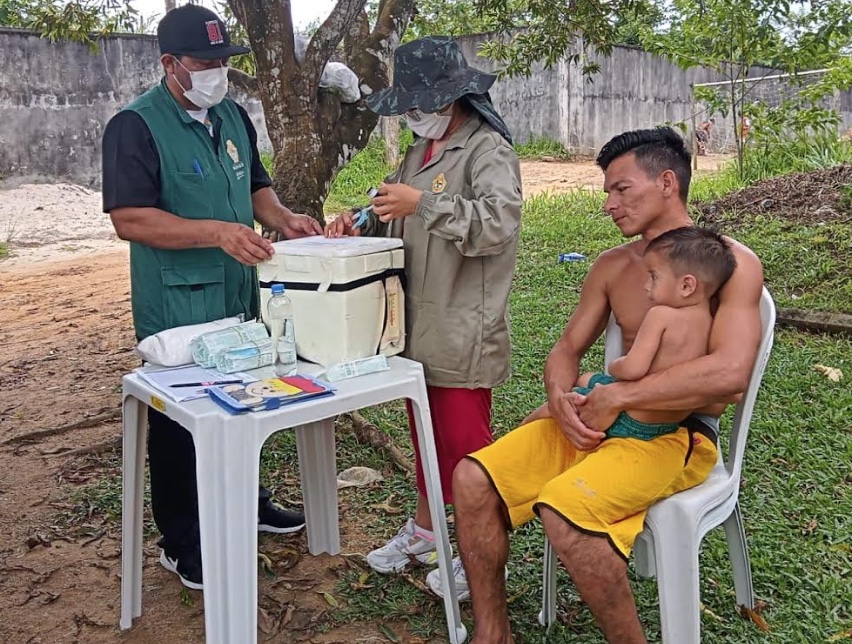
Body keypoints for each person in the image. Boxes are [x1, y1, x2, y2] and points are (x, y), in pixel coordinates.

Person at [445, 127, 765, 644]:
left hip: (674, 435)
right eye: (606, 194)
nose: (609, 205)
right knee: (471, 480)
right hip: (598, 420)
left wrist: (621, 395)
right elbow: (566, 351)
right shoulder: (613, 268)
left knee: (568, 518)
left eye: (621, 189)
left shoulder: (726, 266)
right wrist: (558, 397)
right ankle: (491, 631)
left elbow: (729, 376)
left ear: (666, 182)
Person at [102, 5, 323, 591]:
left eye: (223, 62)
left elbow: (256, 188)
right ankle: (183, 542)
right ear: (170, 64)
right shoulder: (136, 126)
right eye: (204, 63)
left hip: (238, 295)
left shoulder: (232, 115)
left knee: (244, 401)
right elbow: (129, 219)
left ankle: (251, 501)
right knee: (182, 426)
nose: (217, 73)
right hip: (178, 309)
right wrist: (216, 233)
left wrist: (285, 218)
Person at [324, 36, 522, 583]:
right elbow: (393, 204)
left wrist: (424, 203)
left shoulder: (488, 150)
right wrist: (359, 217)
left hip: (462, 327)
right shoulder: (420, 150)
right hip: (415, 323)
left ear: (451, 97)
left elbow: (498, 224)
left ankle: (480, 555)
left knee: (465, 447)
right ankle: (428, 532)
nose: (412, 114)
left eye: (418, 103)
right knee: (426, 436)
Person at [572, 225, 737, 442]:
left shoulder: (659, 316)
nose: (645, 286)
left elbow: (633, 369)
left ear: (687, 286)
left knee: (567, 401)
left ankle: (525, 427)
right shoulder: (711, 322)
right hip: (668, 423)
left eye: (653, 277)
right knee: (586, 379)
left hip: (632, 419)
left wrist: (615, 365)